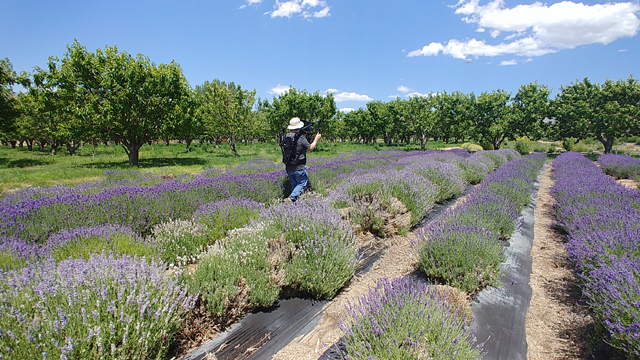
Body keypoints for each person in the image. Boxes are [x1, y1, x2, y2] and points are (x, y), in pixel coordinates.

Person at [284, 117, 321, 203]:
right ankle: (291, 198)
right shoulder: (300, 138)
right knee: (302, 183)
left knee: (294, 184)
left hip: (288, 165)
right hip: (299, 166)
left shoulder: (285, 136)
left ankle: (294, 203)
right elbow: (310, 148)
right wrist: (316, 139)